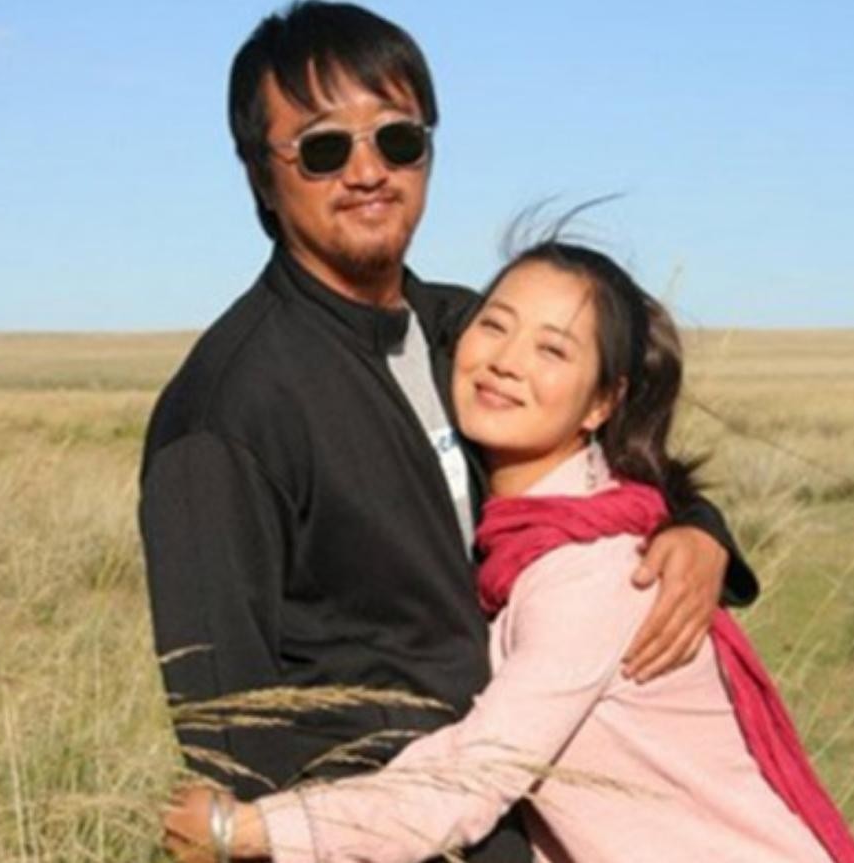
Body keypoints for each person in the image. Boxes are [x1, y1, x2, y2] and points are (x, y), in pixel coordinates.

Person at [140, 2, 755, 859]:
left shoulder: (469, 338)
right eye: (322, 149)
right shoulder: (226, 412)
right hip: (384, 835)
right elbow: (228, 729)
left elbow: (611, 463)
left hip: (537, 819)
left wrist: (695, 528)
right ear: (260, 175)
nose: (367, 172)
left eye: (397, 139)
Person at [163, 237, 854, 863]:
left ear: (601, 403)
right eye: (494, 325)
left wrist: (249, 829)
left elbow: (471, 778)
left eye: (552, 351)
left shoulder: (596, 572)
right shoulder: (536, 533)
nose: (505, 361)